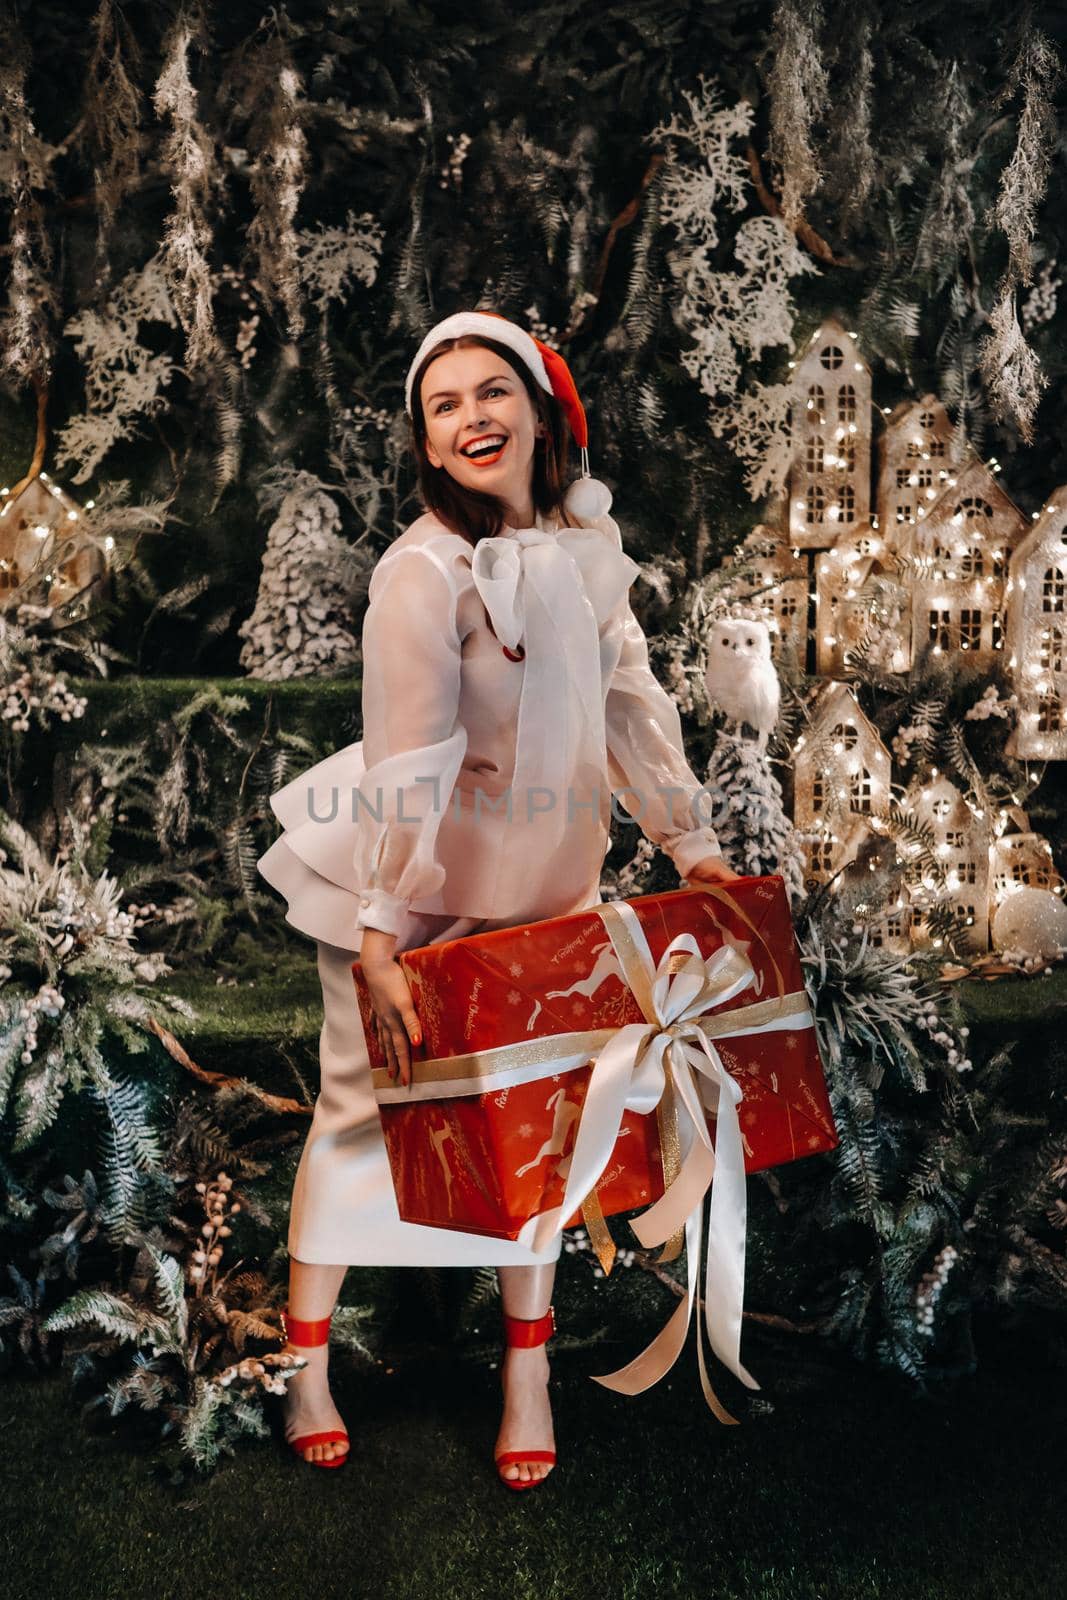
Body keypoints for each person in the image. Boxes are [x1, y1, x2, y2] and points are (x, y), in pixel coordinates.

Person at [257, 310, 741, 1486]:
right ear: (426, 443)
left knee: (539, 1135)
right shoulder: (419, 573)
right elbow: (409, 754)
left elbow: (629, 702)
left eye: (491, 392)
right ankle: (304, 1361)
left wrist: (690, 843)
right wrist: (381, 932)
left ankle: (526, 1370)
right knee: (356, 1117)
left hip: (543, 897)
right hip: (408, 893)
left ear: (537, 408)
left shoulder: (583, 544)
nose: (471, 416)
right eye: (443, 404)